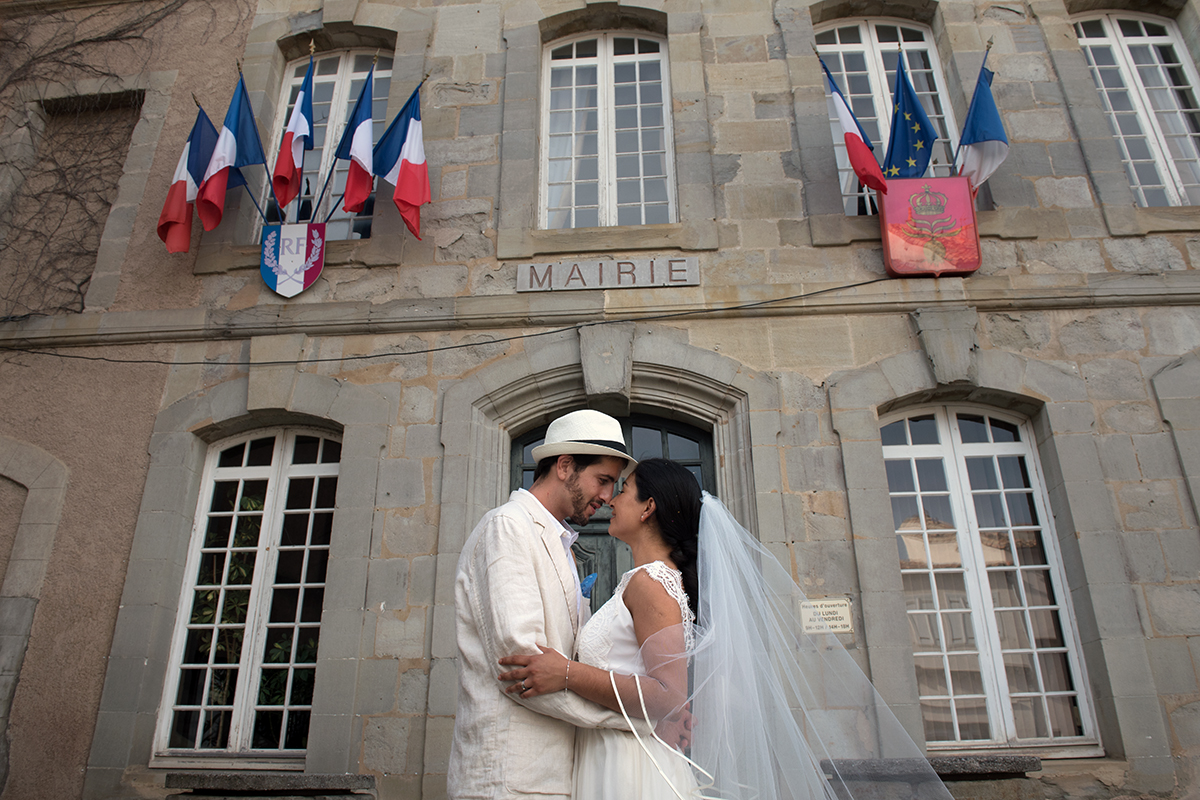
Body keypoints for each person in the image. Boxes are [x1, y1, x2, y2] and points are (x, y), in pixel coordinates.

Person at [499, 459, 961, 800]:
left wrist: (566, 674)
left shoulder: (650, 583)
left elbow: (667, 694)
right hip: (613, 752)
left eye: (625, 490)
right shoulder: (649, 581)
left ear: (648, 508)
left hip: (628, 767)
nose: (613, 499)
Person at [448, 409, 644, 800]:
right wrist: (636, 721)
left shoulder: (561, 542)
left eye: (614, 484)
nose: (608, 497)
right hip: (508, 779)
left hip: (557, 775)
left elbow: (567, 662)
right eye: (603, 480)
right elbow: (522, 669)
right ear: (565, 466)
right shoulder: (507, 527)